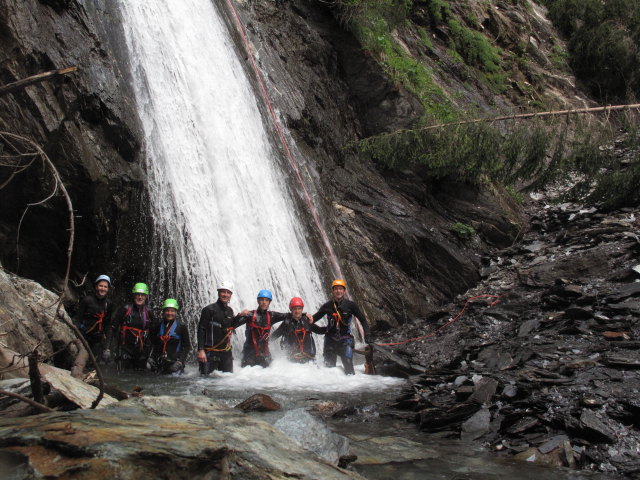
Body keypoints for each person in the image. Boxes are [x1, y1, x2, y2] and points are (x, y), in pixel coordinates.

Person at [312, 279, 372, 375]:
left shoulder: (351, 305)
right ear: (332, 291)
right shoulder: (327, 306)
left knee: (349, 369)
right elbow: (313, 320)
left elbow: (363, 320)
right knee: (329, 371)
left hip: (345, 340)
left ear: (344, 291)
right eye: (336, 289)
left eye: (340, 289)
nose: (338, 291)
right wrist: (305, 320)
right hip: (330, 341)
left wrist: (367, 334)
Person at [196, 281, 247, 375]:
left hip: (226, 353)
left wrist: (240, 316)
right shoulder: (209, 310)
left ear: (231, 295)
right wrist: (201, 350)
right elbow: (201, 330)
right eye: (223, 292)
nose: (225, 295)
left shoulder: (230, 311)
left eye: (228, 293)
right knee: (206, 382)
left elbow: (231, 326)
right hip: (210, 353)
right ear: (218, 293)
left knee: (227, 381)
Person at [105, 282, 155, 370]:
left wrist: (152, 355)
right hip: (125, 351)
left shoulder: (149, 312)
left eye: (142, 295)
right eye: (137, 294)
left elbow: (154, 334)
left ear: (146, 296)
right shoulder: (125, 309)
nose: (140, 297)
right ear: (133, 295)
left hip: (142, 352)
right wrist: (107, 349)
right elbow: (112, 328)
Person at [236, 289, 288, 368]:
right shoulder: (249, 315)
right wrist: (239, 315)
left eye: (266, 300)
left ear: (269, 302)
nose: (264, 302)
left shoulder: (272, 316)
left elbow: (289, 315)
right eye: (262, 300)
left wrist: (305, 315)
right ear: (258, 301)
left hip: (264, 355)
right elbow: (233, 324)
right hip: (249, 356)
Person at [271, 297, 326, 363]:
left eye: (299, 309)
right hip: (293, 360)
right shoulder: (286, 323)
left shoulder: (306, 321)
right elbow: (275, 335)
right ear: (291, 310)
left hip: (308, 359)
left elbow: (319, 330)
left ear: (302, 309)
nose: (297, 311)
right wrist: (263, 342)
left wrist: (331, 328)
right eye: (295, 309)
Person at [73, 274, 112, 361]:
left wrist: (107, 348)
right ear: (96, 286)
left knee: (94, 364)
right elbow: (77, 319)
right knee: (82, 360)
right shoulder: (87, 301)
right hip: (84, 337)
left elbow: (108, 325)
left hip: (97, 339)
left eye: (105, 287)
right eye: (101, 286)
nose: (103, 288)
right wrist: (79, 333)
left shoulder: (108, 304)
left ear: (108, 289)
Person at [149, 298, 191, 374]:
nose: (169, 313)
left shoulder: (181, 326)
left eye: (172, 311)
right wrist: (152, 358)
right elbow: (155, 344)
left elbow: (187, 346)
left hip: (175, 363)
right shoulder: (158, 325)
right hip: (161, 363)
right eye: (167, 310)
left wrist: (180, 362)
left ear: (176, 312)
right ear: (164, 312)